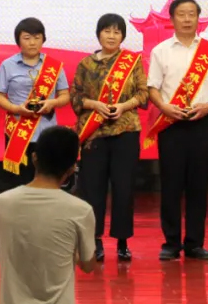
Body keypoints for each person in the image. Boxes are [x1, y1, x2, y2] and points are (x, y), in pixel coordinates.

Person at [145, 0, 208, 261]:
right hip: (171, 124)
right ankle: (171, 243)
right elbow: (153, 88)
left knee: (198, 185)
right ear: (172, 19)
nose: (186, 19)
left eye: (191, 14)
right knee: (171, 184)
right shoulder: (161, 51)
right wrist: (165, 107)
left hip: (202, 123)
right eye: (181, 14)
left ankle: (195, 243)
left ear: (198, 18)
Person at [0, 126, 97, 304]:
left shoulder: (2, 203)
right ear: (71, 169)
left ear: (34, 158)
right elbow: (88, 265)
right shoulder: (81, 211)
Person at [71, 13, 148, 262]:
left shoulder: (132, 62)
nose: (112, 36)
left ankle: (123, 241)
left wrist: (124, 106)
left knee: (124, 188)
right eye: (107, 31)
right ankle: (95, 241)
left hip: (126, 131)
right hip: (94, 133)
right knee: (92, 189)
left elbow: (143, 94)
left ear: (123, 36)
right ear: (98, 34)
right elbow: (75, 97)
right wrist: (95, 104)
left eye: (117, 32)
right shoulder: (85, 64)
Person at [0, 17, 71, 185]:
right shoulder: (8, 65)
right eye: (27, 38)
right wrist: (16, 108)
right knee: (19, 181)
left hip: (47, 131)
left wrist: (52, 103)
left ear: (43, 39)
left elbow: (65, 95)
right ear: (18, 40)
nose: (32, 42)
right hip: (18, 129)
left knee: (47, 178)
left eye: (37, 37)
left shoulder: (54, 66)